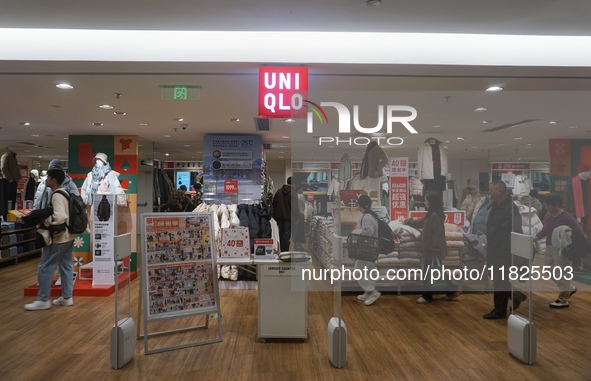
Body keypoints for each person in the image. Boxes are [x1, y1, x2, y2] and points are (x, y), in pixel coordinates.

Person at [24, 168, 75, 310]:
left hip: (60, 237)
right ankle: (67, 297)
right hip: (69, 236)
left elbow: (60, 217)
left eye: (48, 178)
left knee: (45, 266)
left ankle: (43, 299)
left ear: (53, 180)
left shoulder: (57, 195)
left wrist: (45, 222)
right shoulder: (65, 192)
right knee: (66, 266)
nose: (45, 180)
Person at [404, 191, 458, 303]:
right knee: (437, 271)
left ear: (431, 202)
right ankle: (452, 291)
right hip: (432, 250)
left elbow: (437, 236)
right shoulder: (431, 214)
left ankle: (426, 296)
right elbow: (420, 222)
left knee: (428, 273)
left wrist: (434, 250)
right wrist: (406, 221)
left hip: (434, 250)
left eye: (426, 200)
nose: (425, 202)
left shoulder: (435, 216)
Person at [483, 180, 526, 319]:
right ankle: (516, 295)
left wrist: (505, 246)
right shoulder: (495, 205)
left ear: (500, 192)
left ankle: (499, 310)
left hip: (503, 251)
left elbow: (516, 230)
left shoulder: (511, 209)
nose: (490, 193)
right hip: (493, 248)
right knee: (497, 278)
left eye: (492, 190)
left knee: (500, 279)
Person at [533, 194, 582, 308]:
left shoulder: (567, 217)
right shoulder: (548, 216)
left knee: (562, 273)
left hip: (561, 249)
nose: (547, 207)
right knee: (549, 271)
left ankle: (563, 298)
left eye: (548, 205)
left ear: (555, 205)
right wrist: (534, 238)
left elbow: (578, 231)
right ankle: (569, 288)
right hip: (549, 247)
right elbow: (544, 230)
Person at [354, 195, 381, 306]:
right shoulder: (370, 215)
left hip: (367, 248)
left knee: (357, 271)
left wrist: (357, 233)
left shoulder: (367, 217)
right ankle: (368, 292)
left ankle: (372, 292)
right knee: (369, 271)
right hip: (372, 247)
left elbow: (368, 232)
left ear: (360, 204)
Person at [272, 177, 292, 252]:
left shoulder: (279, 191)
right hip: (289, 217)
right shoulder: (293, 193)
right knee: (286, 234)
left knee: (280, 233)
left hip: (279, 216)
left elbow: (274, 203)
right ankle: (285, 251)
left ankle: (281, 250)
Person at [1, 148, 20, 217]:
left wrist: (17, 178)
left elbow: (16, 169)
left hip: (13, 181)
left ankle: (10, 215)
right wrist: (10, 178)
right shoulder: (6, 156)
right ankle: (6, 216)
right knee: (7, 200)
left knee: (12, 200)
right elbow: (3, 168)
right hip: (8, 182)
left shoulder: (13, 157)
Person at [293, 185, 306, 251]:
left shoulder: (294, 196)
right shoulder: (301, 196)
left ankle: (295, 244)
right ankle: (299, 244)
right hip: (300, 214)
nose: (303, 190)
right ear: (299, 189)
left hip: (294, 215)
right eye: (302, 188)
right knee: (300, 230)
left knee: (295, 230)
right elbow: (303, 206)